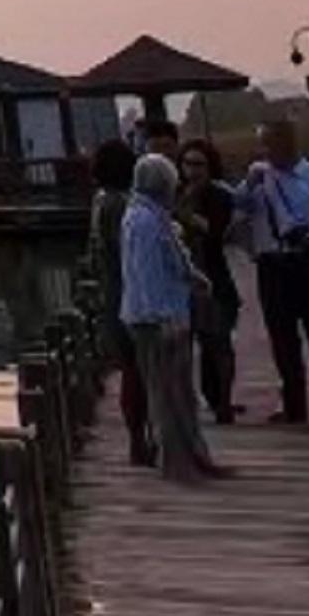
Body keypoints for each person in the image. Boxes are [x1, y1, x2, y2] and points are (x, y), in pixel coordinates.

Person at [238, 115, 309, 425]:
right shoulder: (259, 180)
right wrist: (249, 185)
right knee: (282, 338)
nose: (268, 151)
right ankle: (294, 405)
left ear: (289, 143)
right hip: (272, 264)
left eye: (274, 143)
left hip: (307, 261)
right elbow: (238, 209)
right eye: (264, 144)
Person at [120, 153, 226, 481]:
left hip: (169, 313)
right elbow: (146, 274)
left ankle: (195, 455)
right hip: (156, 320)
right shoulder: (144, 221)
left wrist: (192, 276)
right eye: (171, 183)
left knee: (181, 393)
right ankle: (177, 463)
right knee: (166, 394)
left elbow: (170, 258)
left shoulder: (153, 216)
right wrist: (162, 318)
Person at [79, 138, 149, 462]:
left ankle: (139, 438)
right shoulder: (122, 205)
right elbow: (129, 252)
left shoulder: (99, 202)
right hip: (129, 294)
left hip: (110, 294)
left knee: (129, 370)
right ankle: (140, 440)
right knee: (138, 370)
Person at [181, 147, 245, 423]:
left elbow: (216, 232)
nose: (193, 170)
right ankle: (207, 397)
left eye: (199, 165)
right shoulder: (176, 194)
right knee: (199, 343)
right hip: (185, 281)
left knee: (220, 341)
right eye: (188, 164)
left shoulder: (220, 196)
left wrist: (186, 214)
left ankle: (224, 402)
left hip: (216, 277)